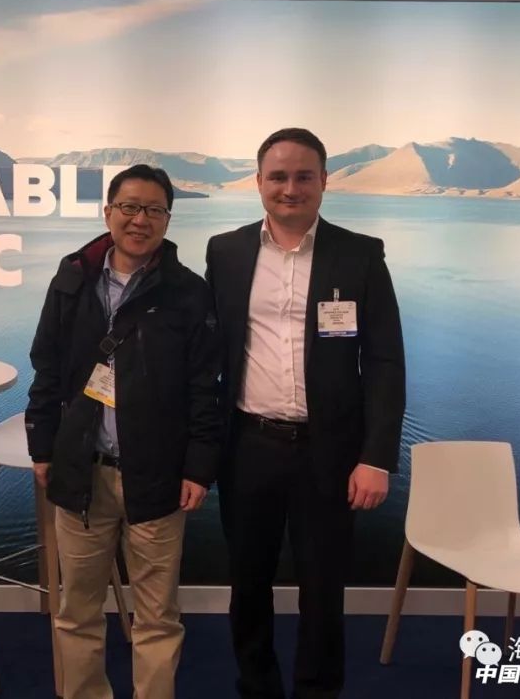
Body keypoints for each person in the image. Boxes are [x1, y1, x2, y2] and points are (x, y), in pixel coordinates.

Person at [205, 128, 405, 699]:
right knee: (248, 583)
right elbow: (209, 346)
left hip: (330, 454)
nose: (290, 188)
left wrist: (376, 457)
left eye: (303, 176)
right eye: (278, 176)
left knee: (323, 588)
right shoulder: (226, 251)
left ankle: (317, 691)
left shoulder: (360, 254)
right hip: (248, 447)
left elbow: (385, 361)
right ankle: (257, 688)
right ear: (258, 181)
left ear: (323, 181)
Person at [26, 163, 222, 699]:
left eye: (154, 210)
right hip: (82, 473)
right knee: (77, 611)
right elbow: (47, 369)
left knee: (157, 617)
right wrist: (42, 448)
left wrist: (199, 466)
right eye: (130, 207)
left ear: (168, 219)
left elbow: (205, 387)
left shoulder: (188, 292)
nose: (141, 220)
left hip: (157, 478)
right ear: (108, 211)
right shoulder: (72, 280)